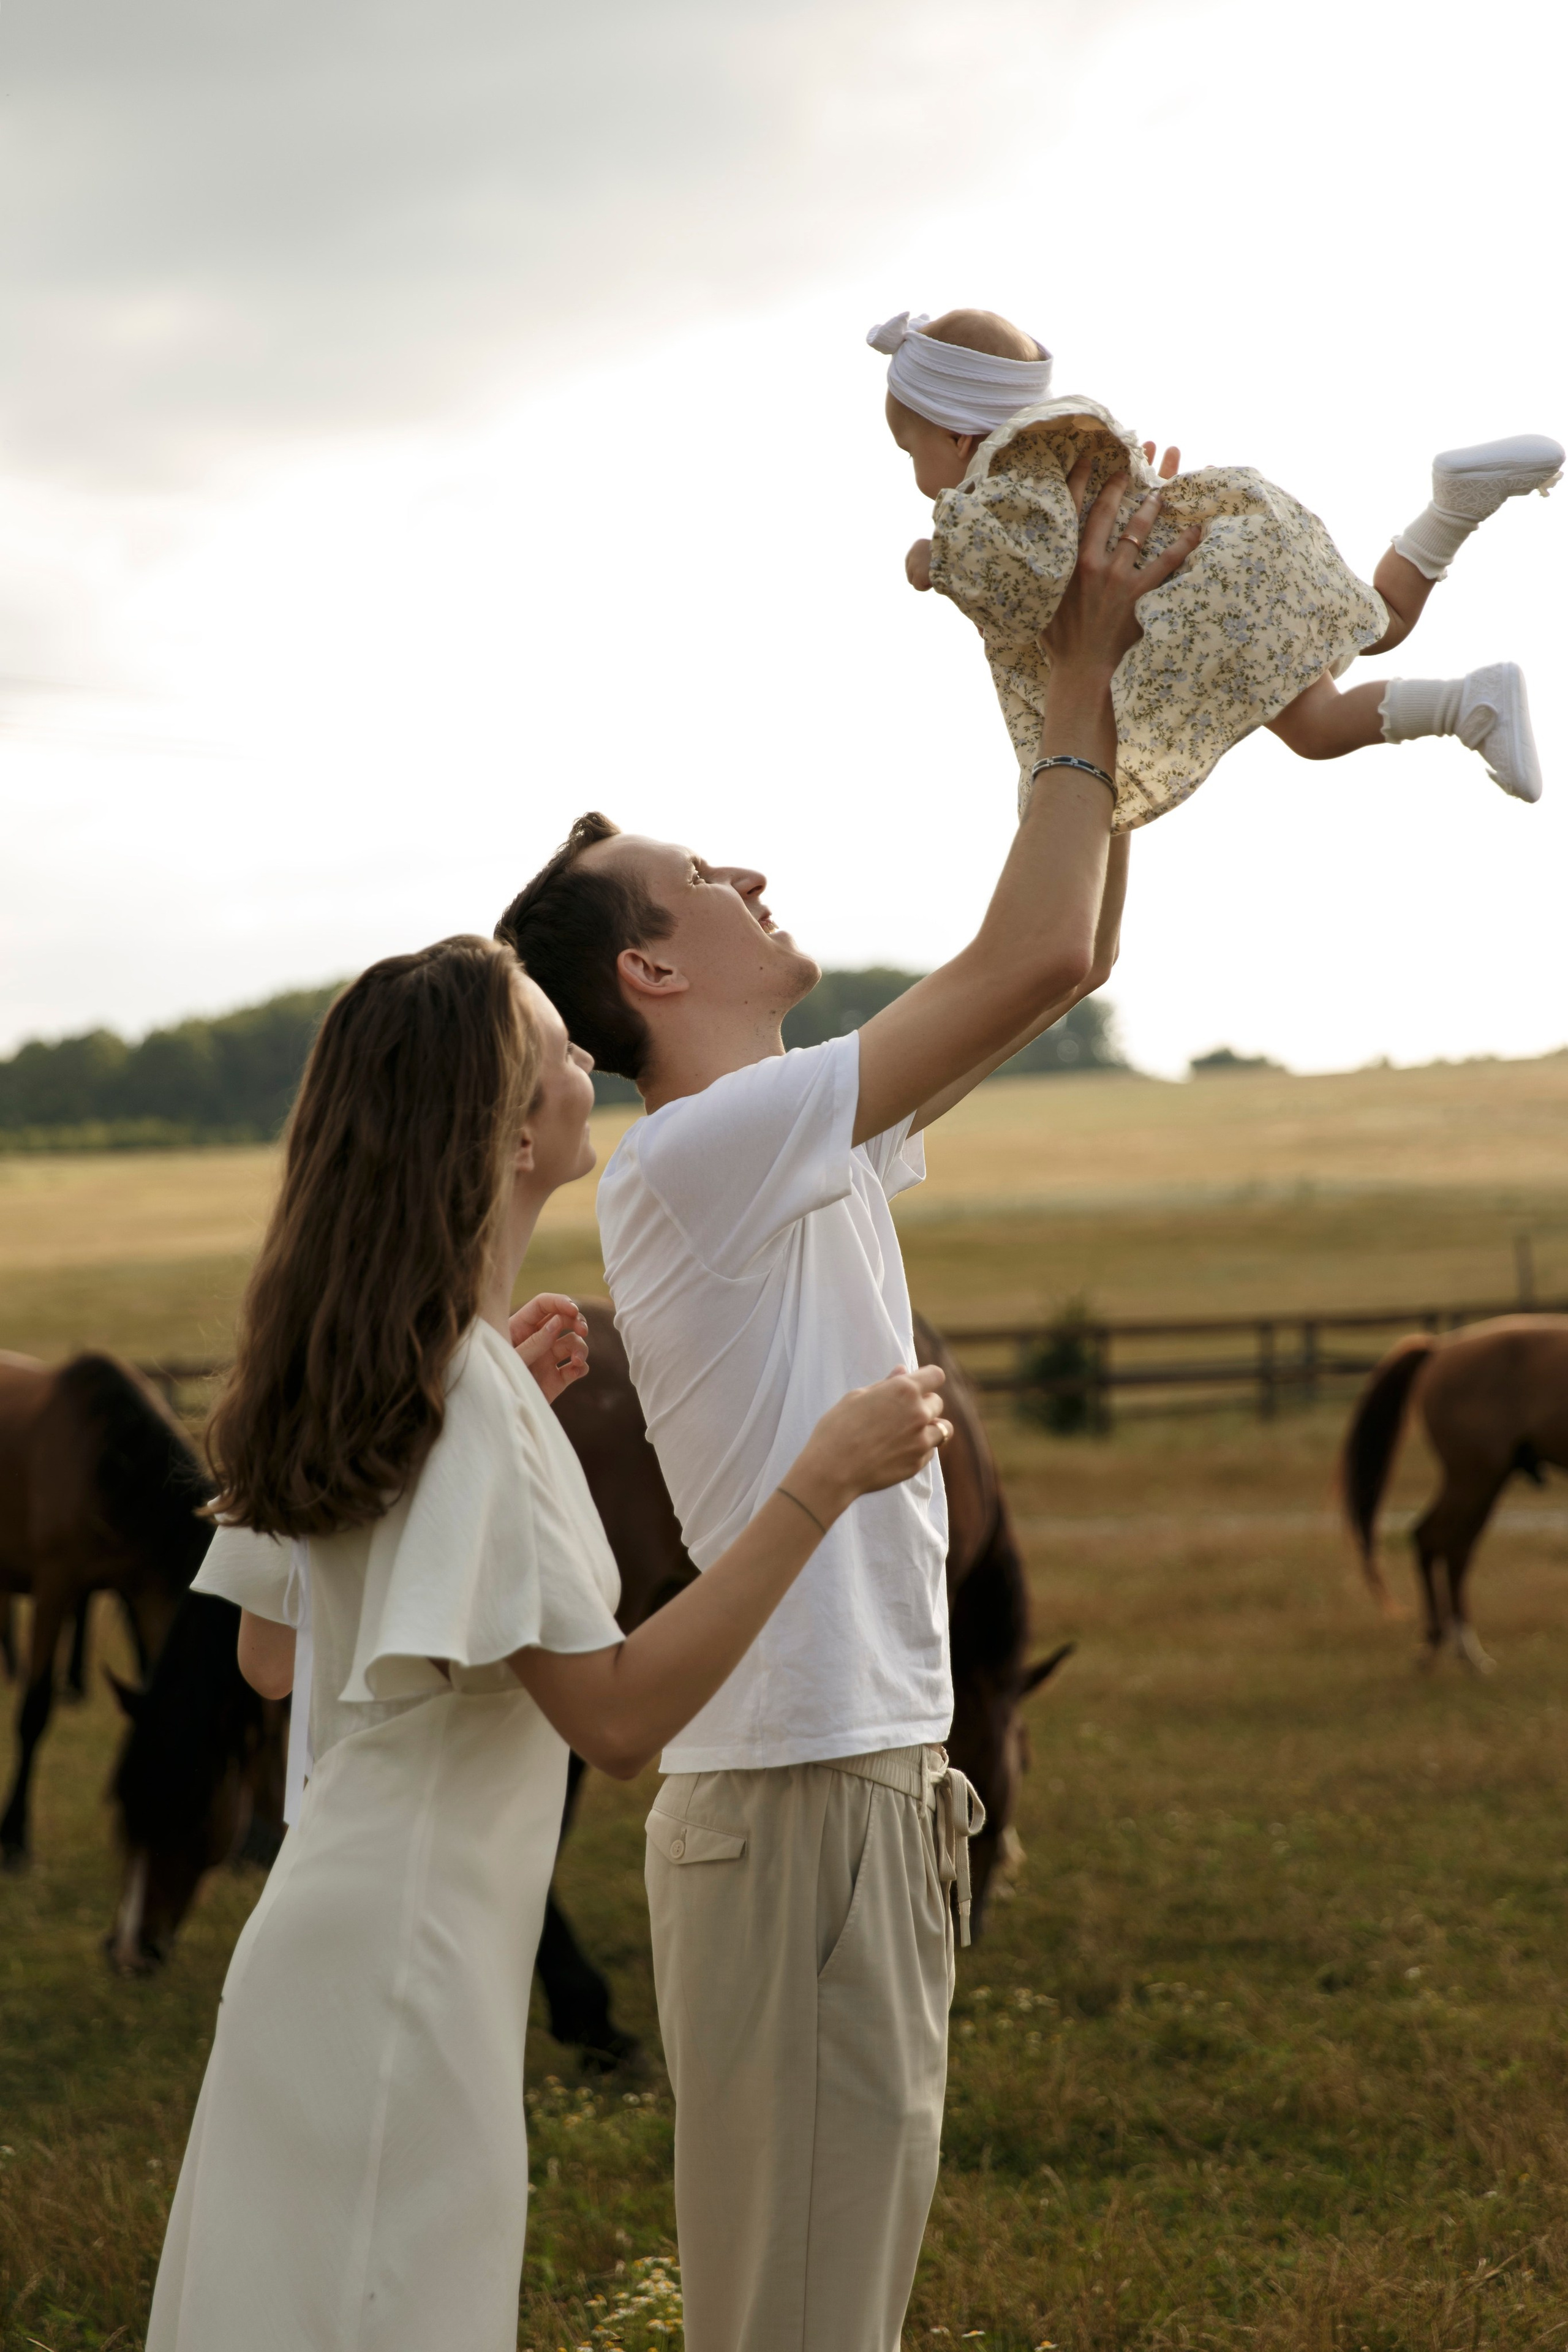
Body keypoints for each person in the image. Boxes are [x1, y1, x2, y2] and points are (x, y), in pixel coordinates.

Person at [494, 464, 1194, 2352]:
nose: (757, 879)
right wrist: (1064, 675)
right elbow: (1031, 951)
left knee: (830, 2300)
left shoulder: (779, 1141)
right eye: (712, 881)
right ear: (650, 973)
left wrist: (1085, 689)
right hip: (798, 1787)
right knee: (801, 2317)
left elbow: (1077, 952)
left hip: (850, 1774)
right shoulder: (707, 1149)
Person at [144, 934, 951, 2352]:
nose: (589, 1060)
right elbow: (622, 1720)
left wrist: (461, 1450)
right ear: (512, 1131)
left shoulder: (416, 1381)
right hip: (413, 1960)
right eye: (556, 1049)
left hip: (325, 1942)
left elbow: (276, 1662)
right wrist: (819, 1478)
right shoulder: (462, 1398)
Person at [871, 305, 1561, 823]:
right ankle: (1454, 506)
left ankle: (1470, 704)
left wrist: (937, 560)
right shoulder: (1057, 445)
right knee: (1384, 622)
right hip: (1231, 543)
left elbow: (1026, 580)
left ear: (960, 438)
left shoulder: (1005, 487)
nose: (916, 478)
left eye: (912, 455)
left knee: (1317, 729)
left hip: (1201, 596)